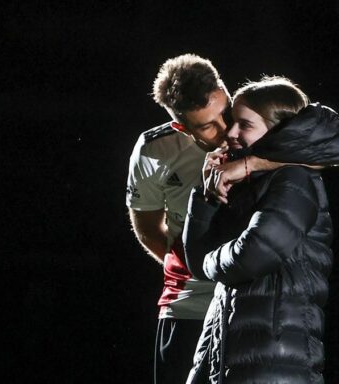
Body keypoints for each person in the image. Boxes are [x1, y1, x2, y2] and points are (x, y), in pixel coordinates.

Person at [126, 54, 278, 384]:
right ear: (181, 126)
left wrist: (250, 165)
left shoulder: (261, 122)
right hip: (188, 308)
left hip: (256, 307)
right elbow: (149, 228)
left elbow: (326, 153)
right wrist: (197, 266)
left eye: (225, 113)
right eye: (208, 125)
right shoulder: (154, 149)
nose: (225, 130)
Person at [182, 76, 338, 383]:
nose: (230, 132)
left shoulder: (294, 180)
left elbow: (253, 255)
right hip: (229, 355)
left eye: (245, 124)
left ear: (278, 130)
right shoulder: (249, 185)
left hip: (274, 362)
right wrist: (207, 194)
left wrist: (211, 260)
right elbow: (195, 263)